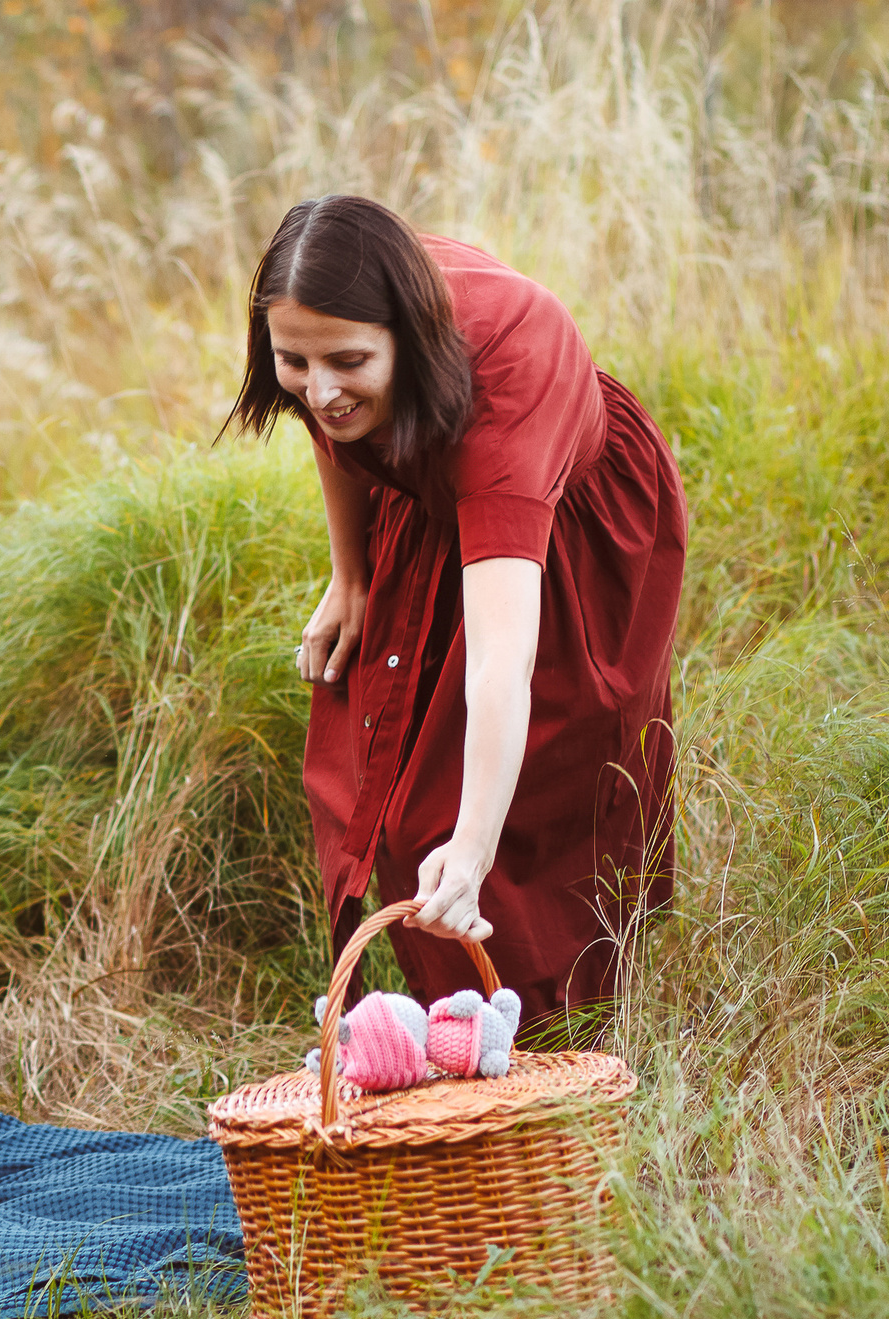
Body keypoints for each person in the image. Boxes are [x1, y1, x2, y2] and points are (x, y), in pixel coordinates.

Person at [225, 196, 685, 1039]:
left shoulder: (508, 388)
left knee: (529, 801)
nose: (318, 389)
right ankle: (456, 1028)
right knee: (385, 786)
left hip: (567, 526)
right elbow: (335, 426)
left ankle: (558, 1037)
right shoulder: (337, 305)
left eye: (347, 360)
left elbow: (501, 663)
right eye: (293, 360)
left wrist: (470, 850)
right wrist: (350, 573)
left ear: (409, 334)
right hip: (430, 479)